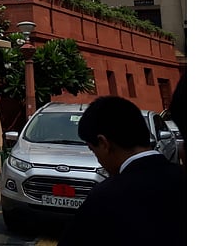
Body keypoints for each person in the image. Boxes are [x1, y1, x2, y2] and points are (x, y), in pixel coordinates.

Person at [57, 95, 186, 246]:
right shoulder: (185, 178)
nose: (98, 159)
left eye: (93, 150)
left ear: (103, 143)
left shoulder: (105, 198)